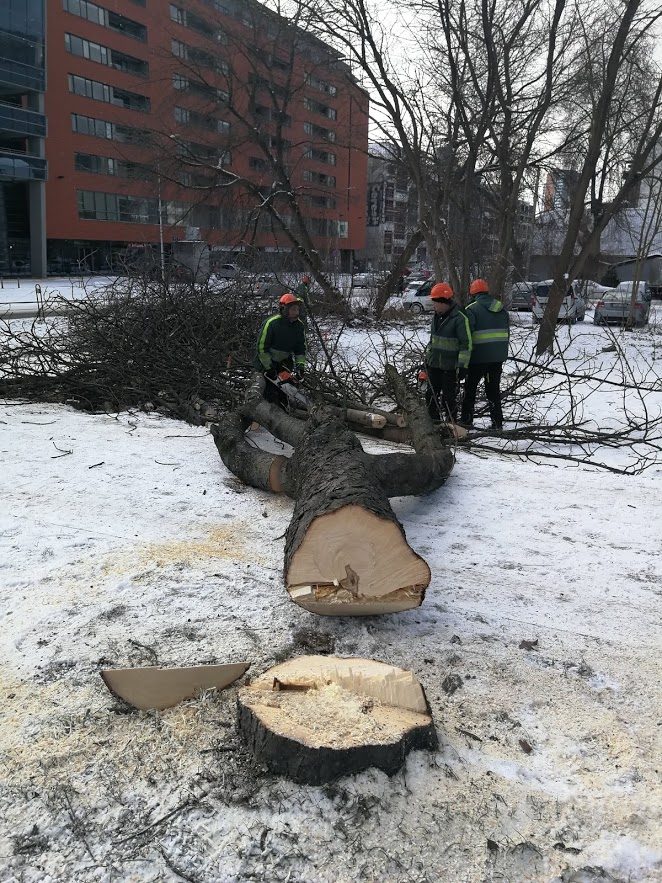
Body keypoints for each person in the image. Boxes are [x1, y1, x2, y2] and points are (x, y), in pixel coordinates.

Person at [460, 278, 510, 430]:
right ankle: (497, 422)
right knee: (493, 390)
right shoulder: (501, 308)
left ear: (473, 293)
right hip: (497, 358)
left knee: (470, 390)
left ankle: (466, 422)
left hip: (478, 358)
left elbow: (467, 336)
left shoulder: (471, 309)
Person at [421, 282, 471, 423]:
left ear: (444, 302)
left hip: (450, 367)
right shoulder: (436, 317)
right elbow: (433, 341)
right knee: (430, 395)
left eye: (436, 303)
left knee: (448, 398)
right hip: (434, 364)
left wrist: (462, 366)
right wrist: (427, 359)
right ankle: (434, 422)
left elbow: (466, 345)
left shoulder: (460, 318)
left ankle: (451, 424)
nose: (434, 306)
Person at [255, 292, 306, 405]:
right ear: (284, 309)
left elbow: (300, 349)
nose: (296, 312)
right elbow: (262, 348)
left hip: (284, 363)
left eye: (297, 309)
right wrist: (269, 368)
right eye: (293, 309)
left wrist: (300, 366)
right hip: (265, 364)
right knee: (269, 396)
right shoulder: (272, 323)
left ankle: (285, 411)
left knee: (285, 395)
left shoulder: (299, 326)